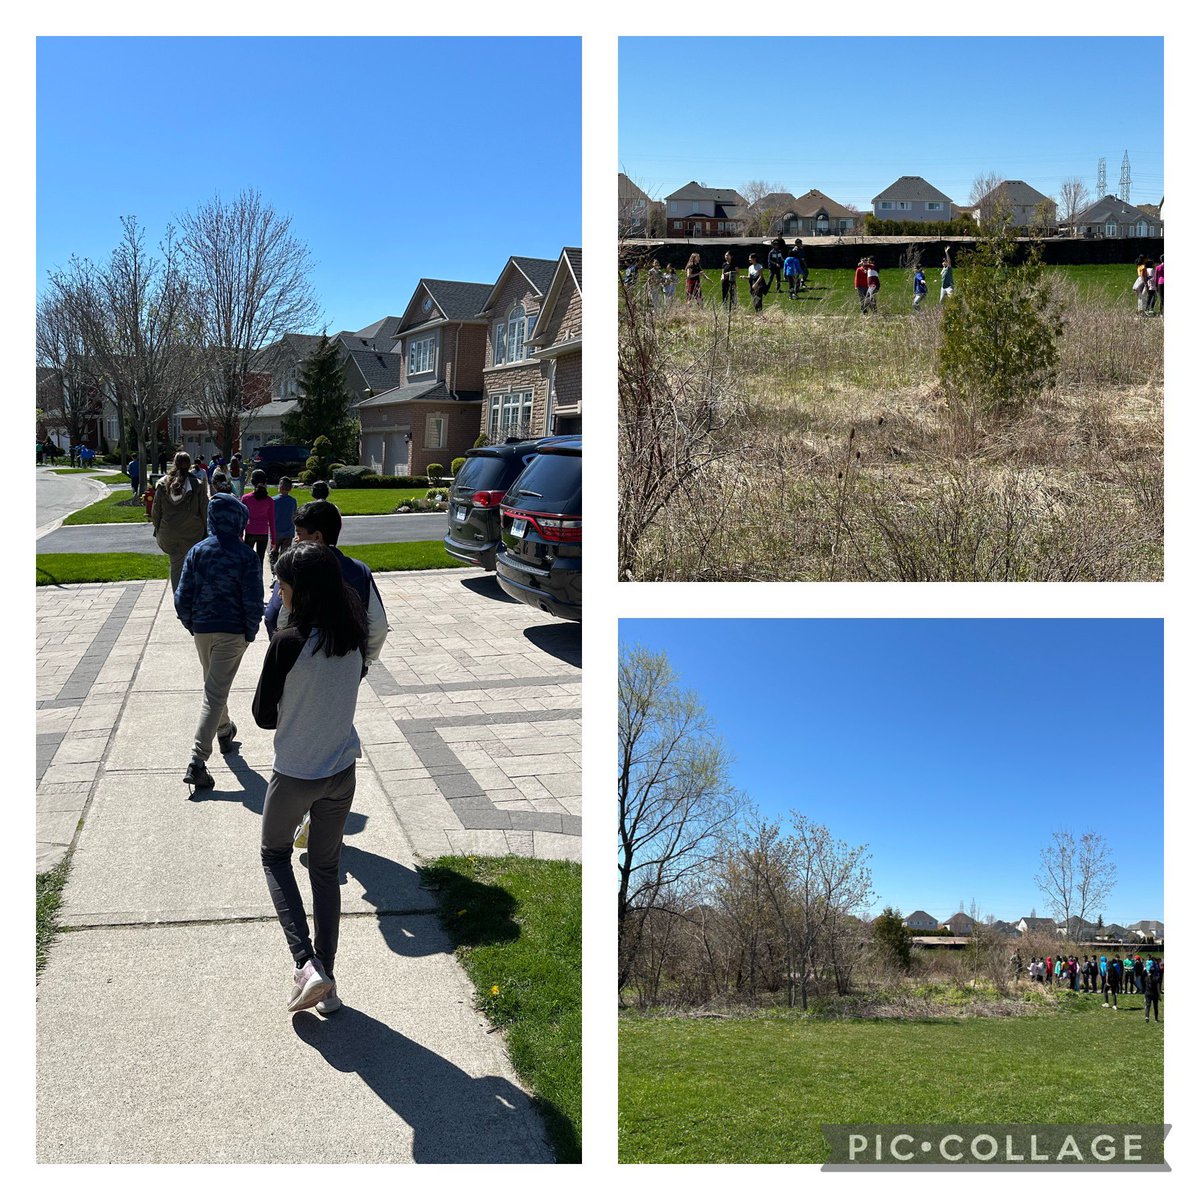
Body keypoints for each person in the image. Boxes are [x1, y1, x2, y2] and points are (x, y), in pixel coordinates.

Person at [253, 541, 370, 1014]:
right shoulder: (353, 636)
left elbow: (262, 715)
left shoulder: (288, 643)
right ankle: (329, 981)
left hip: (296, 772)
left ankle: (307, 964)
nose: (279, 595)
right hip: (342, 771)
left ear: (299, 591)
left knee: (274, 854)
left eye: (282, 587)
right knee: (325, 870)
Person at [173, 493, 265, 789]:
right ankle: (197, 760)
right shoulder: (246, 555)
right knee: (214, 692)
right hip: (232, 632)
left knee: (214, 686)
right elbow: (253, 600)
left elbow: (182, 595)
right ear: (239, 522)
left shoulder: (198, 551)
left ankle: (224, 731)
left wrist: (191, 623)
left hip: (203, 629)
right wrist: (250, 632)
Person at [264, 500, 388, 666]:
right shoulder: (360, 570)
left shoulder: (294, 568)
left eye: (299, 533)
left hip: (301, 662)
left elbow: (274, 615)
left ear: (317, 537)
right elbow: (378, 625)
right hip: (348, 661)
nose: (295, 539)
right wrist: (365, 660)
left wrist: (280, 646)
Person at [152, 451, 210, 591]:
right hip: (192, 533)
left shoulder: (162, 484)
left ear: (174, 463)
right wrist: (206, 532)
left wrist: (158, 528)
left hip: (169, 533)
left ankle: (179, 601)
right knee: (192, 567)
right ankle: (191, 599)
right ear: (189, 464)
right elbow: (205, 510)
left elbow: (156, 511)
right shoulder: (197, 484)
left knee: (176, 566)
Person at [241, 469, 276, 565]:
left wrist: (240, 534)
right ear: (265, 481)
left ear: (252, 482)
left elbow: (242, 518)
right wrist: (273, 539)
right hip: (263, 532)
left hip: (250, 531)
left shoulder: (245, 498)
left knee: (247, 559)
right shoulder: (270, 500)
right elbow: (272, 521)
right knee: (260, 559)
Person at [272, 476, 298, 568]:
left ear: (280, 487)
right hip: (288, 531)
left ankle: (274, 569)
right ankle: (282, 569)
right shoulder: (293, 501)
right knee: (285, 554)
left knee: (274, 552)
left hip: (276, 531)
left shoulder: (273, 500)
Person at [1143, 958, 1161, 1023]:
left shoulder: (1146, 978)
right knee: (1155, 1007)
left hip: (1147, 993)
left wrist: (1144, 996)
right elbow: (1158, 988)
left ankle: (1147, 1016)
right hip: (1155, 994)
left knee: (1147, 1006)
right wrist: (1159, 996)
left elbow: (1145, 986)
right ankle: (1156, 1019)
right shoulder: (1156, 978)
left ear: (1149, 971)